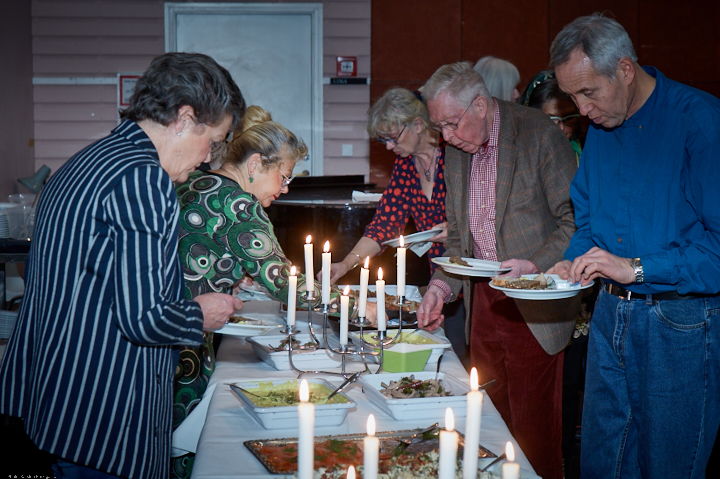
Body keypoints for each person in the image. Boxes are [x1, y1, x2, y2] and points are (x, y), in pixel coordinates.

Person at [0, 52, 245, 478]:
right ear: (185, 118)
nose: (209, 158)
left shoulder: (86, 160)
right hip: (105, 415)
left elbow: (99, 283)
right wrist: (200, 314)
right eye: (214, 140)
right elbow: (144, 318)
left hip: (53, 399)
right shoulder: (144, 178)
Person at [549, 13, 720, 479]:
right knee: (600, 463)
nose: (582, 110)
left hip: (681, 323)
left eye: (589, 92)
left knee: (667, 466)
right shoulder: (602, 127)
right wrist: (572, 262)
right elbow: (588, 220)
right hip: (609, 315)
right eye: (572, 96)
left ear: (625, 69)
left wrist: (637, 268)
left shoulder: (700, 122)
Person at [171, 105, 373, 477]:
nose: (285, 188)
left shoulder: (196, 181)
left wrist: (228, 273)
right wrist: (355, 305)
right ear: (254, 164)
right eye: (284, 176)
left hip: (165, 324)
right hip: (185, 342)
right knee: (190, 444)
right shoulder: (240, 205)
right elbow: (284, 283)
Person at [415, 61, 578, 479]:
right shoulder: (457, 150)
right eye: (438, 127)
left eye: (451, 124)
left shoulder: (538, 134)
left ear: (481, 105)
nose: (445, 137)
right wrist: (439, 289)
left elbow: (575, 222)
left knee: (533, 434)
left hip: (534, 303)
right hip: (484, 301)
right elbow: (459, 242)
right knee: (487, 422)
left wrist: (535, 266)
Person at [326, 88, 468, 366]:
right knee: (445, 356)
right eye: (384, 140)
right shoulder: (405, 166)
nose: (389, 147)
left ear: (418, 125)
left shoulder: (455, 153)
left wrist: (458, 230)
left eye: (393, 138)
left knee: (464, 358)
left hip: (468, 273)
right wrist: (345, 264)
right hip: (439, 279)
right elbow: (384, 225)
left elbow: (484, 213)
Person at [518, 70, 583, 164]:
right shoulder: (516, 157)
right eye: (551, 119)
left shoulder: (584, 153)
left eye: (569, 118)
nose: (561, 128)